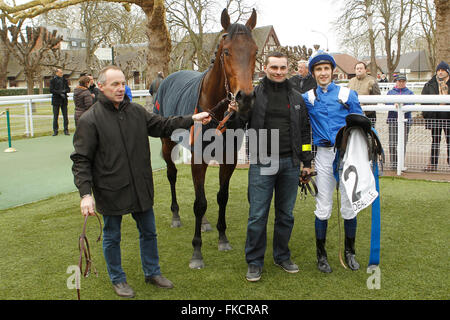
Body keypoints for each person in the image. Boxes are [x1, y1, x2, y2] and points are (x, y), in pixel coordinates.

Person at [70, 65, 211, 298]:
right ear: (101, 85)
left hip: (140, 185)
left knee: (149, 232)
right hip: (110, 189)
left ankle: (152, 272)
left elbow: (162, 125)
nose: (120, 88)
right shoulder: (89, 120)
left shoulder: (136, 112)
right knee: (112, 236)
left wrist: (192, 118)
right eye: (114, 84)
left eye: (123, 83)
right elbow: (81, 160)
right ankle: (118, 279)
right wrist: (86, 194)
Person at [227, 52, 313, 282]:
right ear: (265, 68)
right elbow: (238, 126)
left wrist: (306, 162)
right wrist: (234, 112)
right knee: (257, 216)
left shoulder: (297, 98)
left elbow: (305, 132)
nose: (278, 71)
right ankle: (254, 262)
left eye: (282, 68)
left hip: (290, 164)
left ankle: (282, 256)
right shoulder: (252, 95)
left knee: (286, 215)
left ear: (288, 69)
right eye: (274, 67)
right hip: (262, 162)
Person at [302, 51, 363, 273]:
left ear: (333, 71)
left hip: (348, 155)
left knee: (349, 205)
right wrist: (305, 160)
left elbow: (361, 128)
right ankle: (322, 256)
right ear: (313, 73)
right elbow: (301, 127)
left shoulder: (348, 94)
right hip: (324, 155)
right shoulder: (307, 98)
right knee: (323, 206)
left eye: (326, 68)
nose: (323, 73)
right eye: (318, 69)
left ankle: (350, 252)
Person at [422, 61, 450, 171]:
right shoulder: (429, 84)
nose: (440, 72)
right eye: (439, 70)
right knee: (435, 140)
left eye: (443, 70)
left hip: (448, 117)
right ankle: (433, 164)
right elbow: (424, 101)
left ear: (447, 72)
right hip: (435, 117)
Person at [386, 74, 414, 170]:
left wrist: (400, 104)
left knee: (403, 143)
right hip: (393, 120)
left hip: (406, 121)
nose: (401, 83)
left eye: (403, 81)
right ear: (396, 81)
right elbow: (387, 102)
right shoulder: (390, 92)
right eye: (399, 81)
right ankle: (394, 164)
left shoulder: (410, 93)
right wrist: (395, 104)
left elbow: (411, 104)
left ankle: (400, 163)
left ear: (405, 82)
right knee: (392, 142)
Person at [348, 61, 380, 125]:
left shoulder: (372, 81)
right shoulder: (351, 81)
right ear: (355, 70)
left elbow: (377, 96)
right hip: (353, 113)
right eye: (357, 69)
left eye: (361, 68)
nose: (359, 70)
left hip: (368, 114)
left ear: (365, 70)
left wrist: (365, 105)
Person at [49, 68, 70, 136]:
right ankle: (55, 131)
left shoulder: (65, 80)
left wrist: (64, 92)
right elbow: (51, 90)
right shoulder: (52, 80)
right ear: (57, 73)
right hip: (56, 100)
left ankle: (66, 130)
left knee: (65, 116)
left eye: (62, 72)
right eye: (60, 72)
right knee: (55, 116)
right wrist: (59, 93)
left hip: (64, 100)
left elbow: (68, 89)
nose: (62, 74)